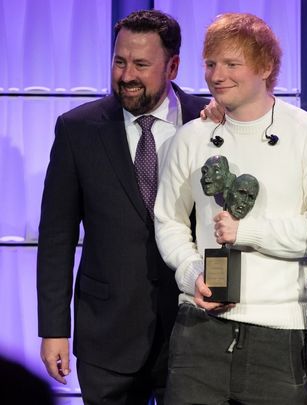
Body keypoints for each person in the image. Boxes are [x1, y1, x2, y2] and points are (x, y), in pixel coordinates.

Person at [154, 12, 307, 404]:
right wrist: (190, 272)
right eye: (211, 64)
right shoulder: (192, 137)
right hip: (198, 331)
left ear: (265, 67)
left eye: (232, 64)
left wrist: (247, 232)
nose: (217, 75)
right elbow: (167, 218)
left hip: (280, 335)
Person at [36, 10, 208, 404]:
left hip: (193, 330)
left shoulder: (210, 120)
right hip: (106, 335)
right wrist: (54, 329)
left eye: (141, 64)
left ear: (173, 66)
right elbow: (57, 237)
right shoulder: (77, 128)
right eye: (119, 61)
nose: (126, 74)